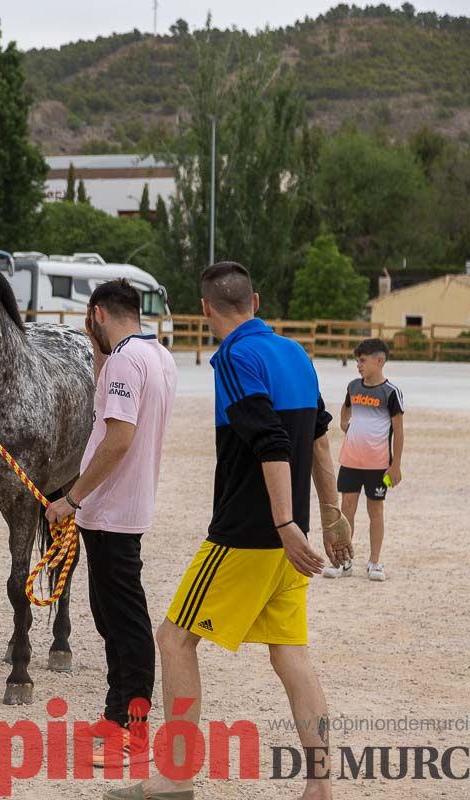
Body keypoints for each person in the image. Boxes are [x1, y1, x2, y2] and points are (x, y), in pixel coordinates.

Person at [109, 262, 352, 800]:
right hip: (290, 541)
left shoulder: (235, 357)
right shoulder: (295, 354)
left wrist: (285, 523)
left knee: (174, 639)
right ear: (256, 301)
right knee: (291, 655)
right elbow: (316, 441)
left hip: (248, 534)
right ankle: (321, 785)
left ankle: (174, 775)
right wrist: (329, 516)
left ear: (206, 309)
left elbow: (269, 442)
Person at [45, 279, 177, 769]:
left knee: (126, 622)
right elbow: (111, 408)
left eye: (88, 319)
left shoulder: (124, 360)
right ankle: (115, 713)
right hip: (120, 508)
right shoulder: (154, 354)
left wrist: (71, 499)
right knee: (108, 614)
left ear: (97, 314)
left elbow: (118, 439)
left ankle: (135, 732)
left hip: (111, 509)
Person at [323, 339, 404, 582]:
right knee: (346, 510)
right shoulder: (353, 387)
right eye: (357, 360)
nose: (358, 365)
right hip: (350, 461)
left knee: (375, 510)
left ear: (379, 361)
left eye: (363, 360)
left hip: (378, 464)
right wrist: (343, 422)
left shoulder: (391, 393)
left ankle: (375, 562)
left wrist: (396, 464)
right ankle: (343, 562)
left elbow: (399, 431)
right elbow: (345, 408)